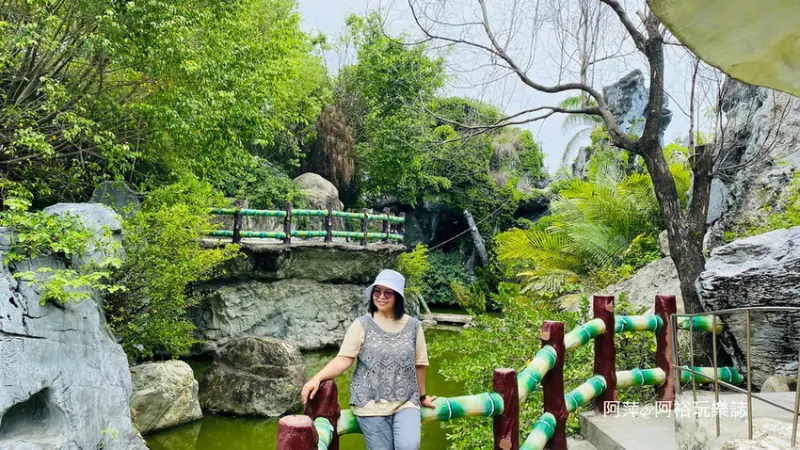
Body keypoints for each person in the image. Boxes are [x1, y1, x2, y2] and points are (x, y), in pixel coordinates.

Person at [301, 269, 437, 450]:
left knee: (409, 446)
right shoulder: (362, 324)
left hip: (406, 401)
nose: (381, 296)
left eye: (388, 292)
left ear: (398, 296)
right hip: (370, 403)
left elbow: (420, 364)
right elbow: (343, 360)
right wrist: (317, 378)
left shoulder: (414, 326)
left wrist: (422, 396)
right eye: (377, 291)